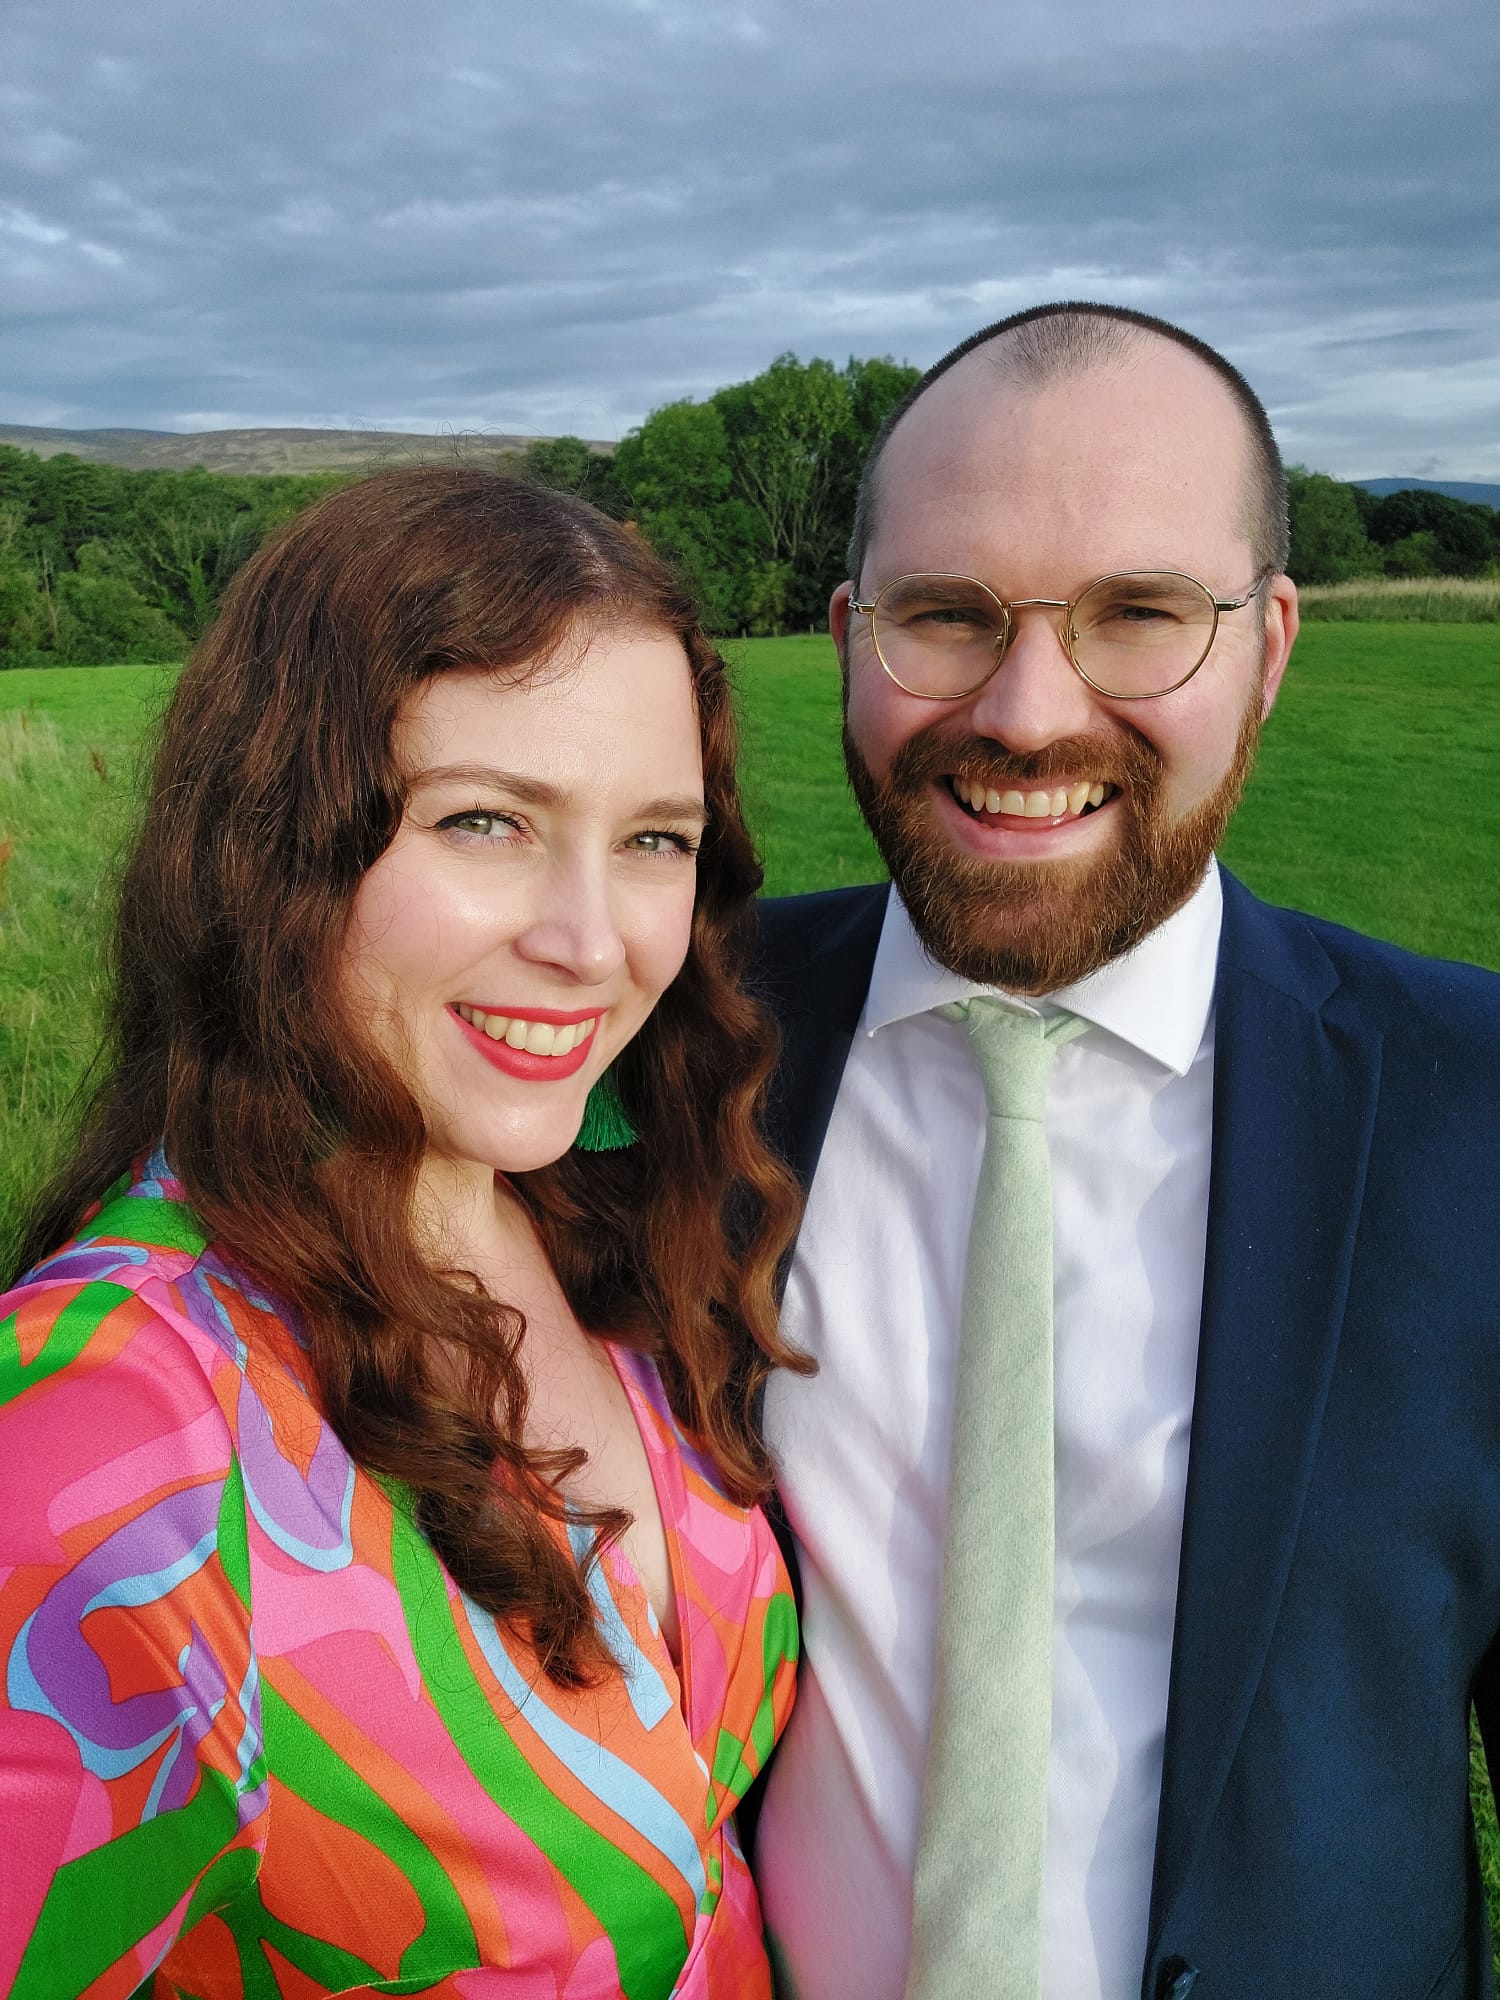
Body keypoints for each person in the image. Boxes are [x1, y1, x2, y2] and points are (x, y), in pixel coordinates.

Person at [748, 304, 1500, 2000]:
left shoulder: (1477, 1109)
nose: (1026, 713)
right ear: (853, 634)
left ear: (1271, 646)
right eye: (947, 616)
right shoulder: (674, 1042)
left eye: (1138, 616)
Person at [0, 468, 811, 1997]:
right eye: (487, 820)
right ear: (277, 846)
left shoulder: (597, 1220)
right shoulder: (107, 1430)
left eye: (654, 839)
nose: (591, 941)